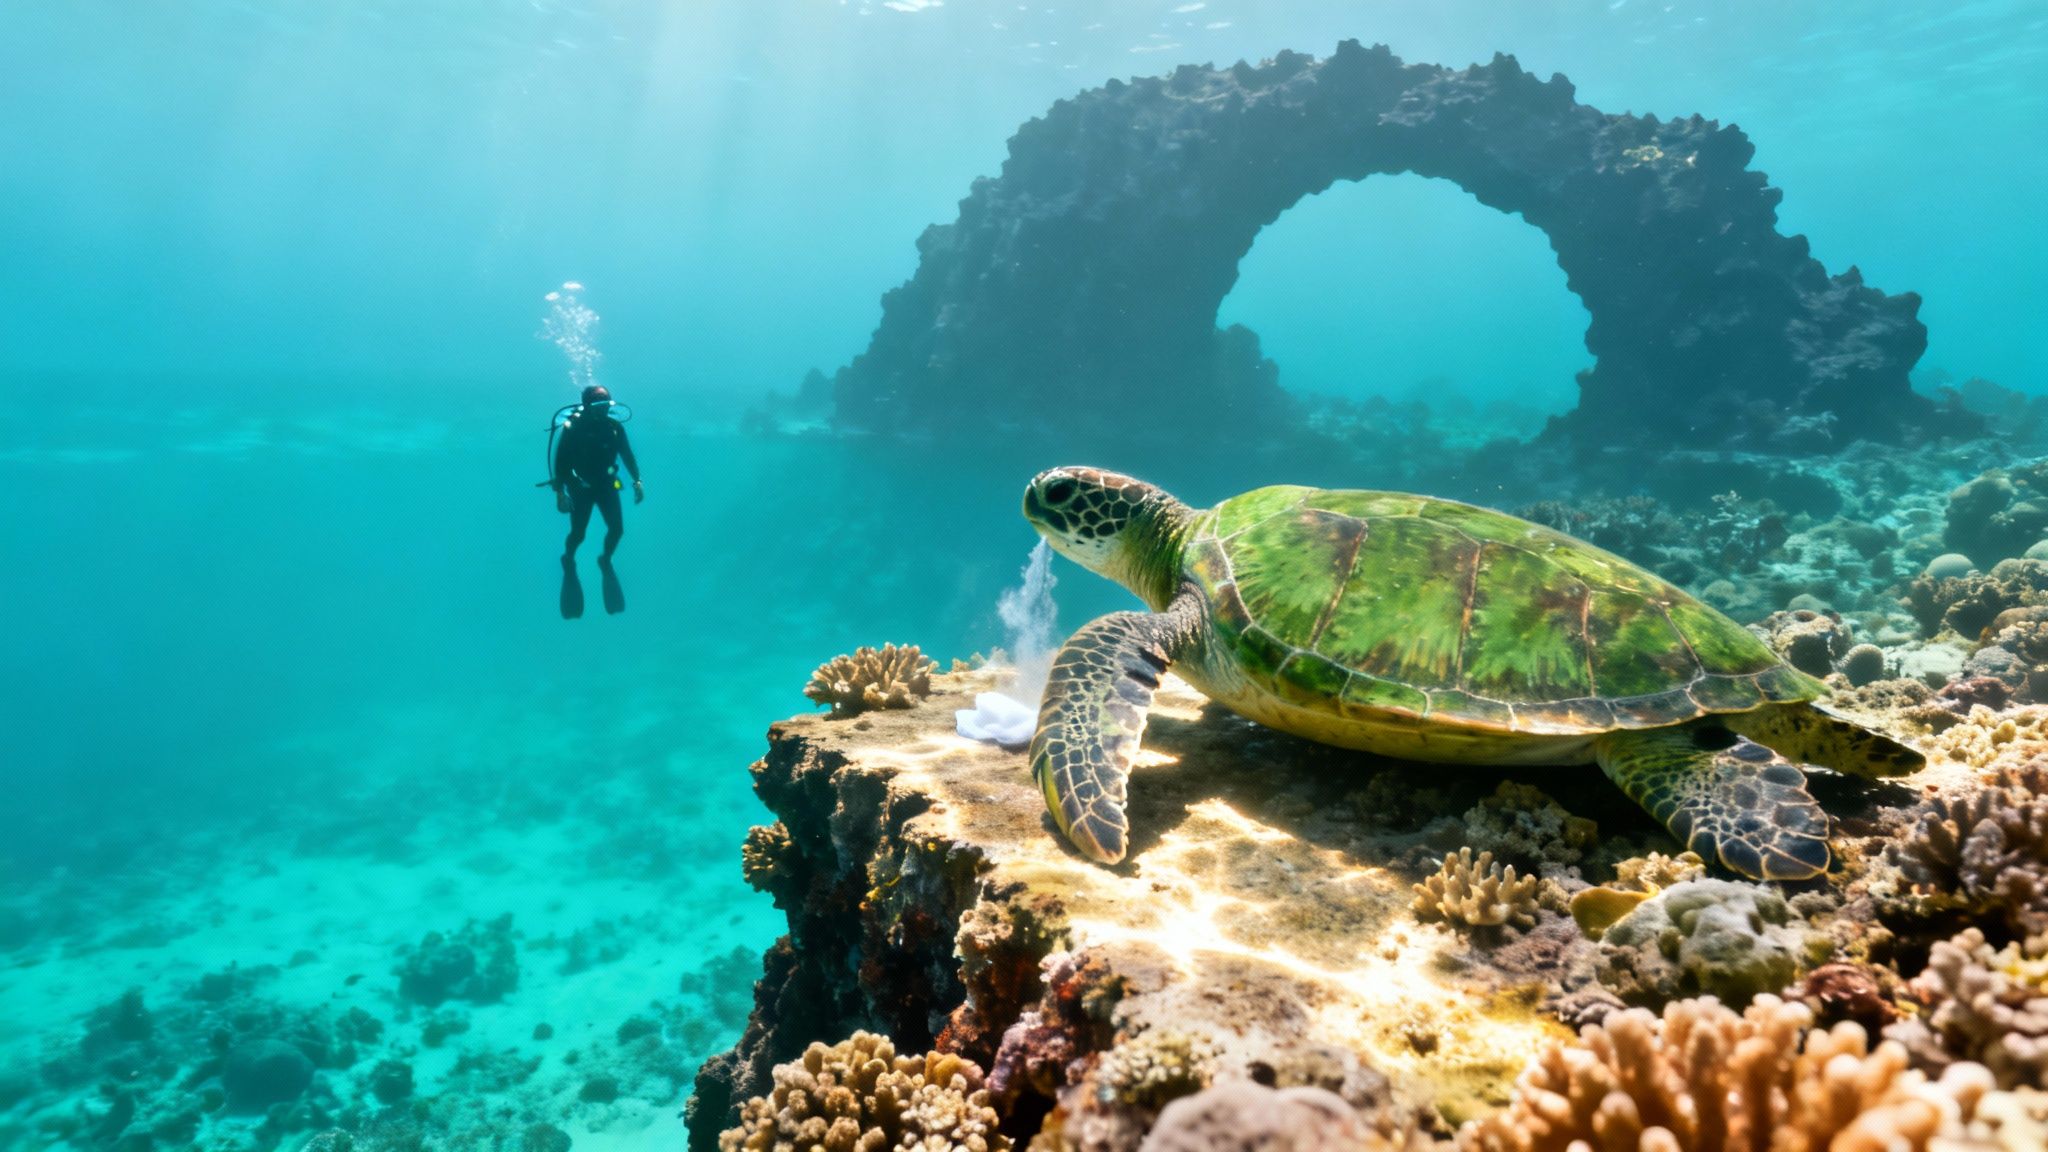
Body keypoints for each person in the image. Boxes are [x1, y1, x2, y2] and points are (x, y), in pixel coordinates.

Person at [551, 385, 642, 618]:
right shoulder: (573, 428)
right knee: (578, 533)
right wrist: (560, 494)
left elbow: (627, 455)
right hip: (579, 487)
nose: (602, 411)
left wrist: (637, 481)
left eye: (606, 405)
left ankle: (605, 560)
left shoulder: (614, 428)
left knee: (617, 529)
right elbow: (560, 464)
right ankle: (569, 559)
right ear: (587, 406)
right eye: (598, 406)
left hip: (606, 485)